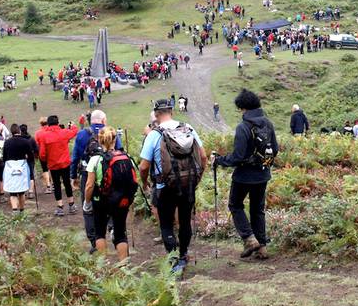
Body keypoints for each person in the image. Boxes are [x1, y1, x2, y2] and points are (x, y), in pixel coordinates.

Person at [139, 99, 206, 273]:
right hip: (188, 184)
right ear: (172, 111)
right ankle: (184, 255)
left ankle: (175, 260)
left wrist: (145, 182)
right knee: (185, 222)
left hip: (164, 187)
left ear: (156, 114)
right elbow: (203, 156)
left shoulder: (155, 134)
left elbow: (144, 166)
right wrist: (197, 178)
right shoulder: (188, 128)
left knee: (166, 224)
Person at [213, 89, 278, 260]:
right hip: (263, 174)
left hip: (243, 175)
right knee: (258, 209)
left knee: (235, 205)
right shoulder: (268, 124)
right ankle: (262, 247)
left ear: (243, 108)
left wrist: (219, 160)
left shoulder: (243, 127)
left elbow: (238, 157)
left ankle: (249, 239)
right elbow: (275, 150)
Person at [72, 110, 123, 253]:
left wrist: (73, 176)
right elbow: (119, 151)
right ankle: (112, 227)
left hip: (88, 173)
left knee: (87, 206)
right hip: (110, 173)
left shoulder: (82, 134)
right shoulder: (110, 132)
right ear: (103, 120)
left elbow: (75, 156)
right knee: (111, 201)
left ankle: (94, 241)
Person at [84, 126, 137, 264]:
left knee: (100, 233)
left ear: (100, 140)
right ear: (115, 139)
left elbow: (89, 185)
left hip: (100, 200)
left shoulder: (95, 159)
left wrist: (87, 202)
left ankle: (104, 265)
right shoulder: (126, 157)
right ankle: (124, 268)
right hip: (121, 201)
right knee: (120, 233)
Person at [37, 115, 79, 216]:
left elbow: (42, 154)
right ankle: (71, 204)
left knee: (56, 185)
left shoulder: (44, 136)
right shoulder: (64, 132)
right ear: (57, 122)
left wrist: (46, 160)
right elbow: (74, 131)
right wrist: (72, 125)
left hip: (53, 164)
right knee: (67, 183)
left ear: (48, 123)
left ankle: (60, 207)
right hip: (65, 163)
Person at [3, 124, 33, 215]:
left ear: (11, 132)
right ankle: (22, 210)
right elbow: (31, 156)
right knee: (21, 191)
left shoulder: (7, 142)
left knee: (12, 191)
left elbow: (4, 157)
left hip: (10, 166)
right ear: (19, 131)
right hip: (22, 166)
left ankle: (15, 210)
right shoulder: (25, 142)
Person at [35, 117, 53, 194]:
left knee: (45, 169)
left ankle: (48, 187)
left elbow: (36, 144)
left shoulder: (38, 133)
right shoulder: (51, 131)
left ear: (40, 124)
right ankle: (54, 185)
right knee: (52, 168)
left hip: (42, 153)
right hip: (52, 152)